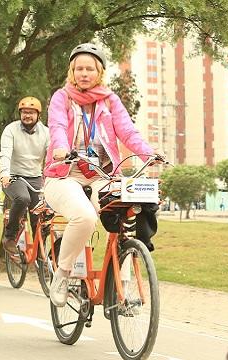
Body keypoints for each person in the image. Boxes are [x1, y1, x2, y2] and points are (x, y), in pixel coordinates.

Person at [42, 43, 159, 306]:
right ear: (72, 71)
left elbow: (128, 132)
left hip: (101, 175)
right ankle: (62, 275)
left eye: (90, 69)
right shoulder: (62, 97)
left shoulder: (109, 100)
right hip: (65, 174)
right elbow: (58, 126)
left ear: (100, 72)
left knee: (126, 216)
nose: (84, 73)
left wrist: (148, 154)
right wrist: (60, 147)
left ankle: (124, 287)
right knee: (84, 217)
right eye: (79, 68)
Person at [0, 97, 50, 253]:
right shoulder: (11, 130)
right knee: (23, 199)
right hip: (14, 176)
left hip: (35, 177)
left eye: (31, 113)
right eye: (24, 112)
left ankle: (41, 256)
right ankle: (10, 236)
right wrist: (5, 174)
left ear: (38, 115)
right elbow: (5, 153)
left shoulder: (47, 132)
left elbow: (50, 157)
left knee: (41, 215)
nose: (27, 116)